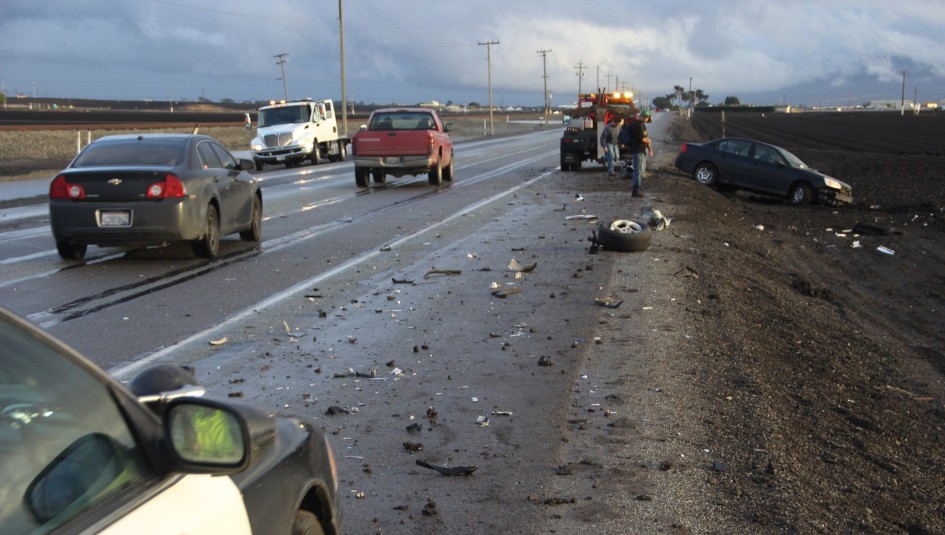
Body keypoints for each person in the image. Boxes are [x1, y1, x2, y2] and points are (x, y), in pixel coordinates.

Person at [627, 109, 655, 197]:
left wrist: (650, 149)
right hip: (637, 150)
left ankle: (637, 188)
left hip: (641, 150)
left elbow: (646, 137)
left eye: (648, 118)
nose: (647, 119)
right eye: (646, 117)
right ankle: (635, 190)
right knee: (638, 171)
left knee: (641, 171)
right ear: (642, 116)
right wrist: (648, 140)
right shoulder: (637, 125)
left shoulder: (642, 125)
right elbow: (642, 139)